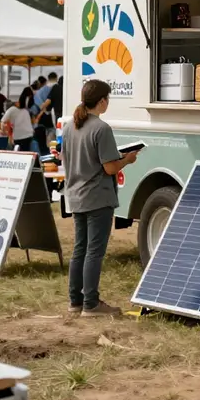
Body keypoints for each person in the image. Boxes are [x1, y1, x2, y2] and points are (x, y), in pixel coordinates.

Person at [62, 79, 141, 317]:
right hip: (97, 197)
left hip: (76, 195)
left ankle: (76, 301)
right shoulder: (101, 128)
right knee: (94, 252)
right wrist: (127, 160)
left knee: (80, 249)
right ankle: (91, 304)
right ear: (103, 101)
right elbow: (109, 168)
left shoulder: (70, 126)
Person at [2, 88, 37, 152]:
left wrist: (3, 131)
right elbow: (34, 122)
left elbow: (3, 122)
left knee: (19, 153)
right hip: (28, 135)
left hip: (18, 137)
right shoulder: (27, 110)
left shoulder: (12, 110)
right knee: (26, 153)